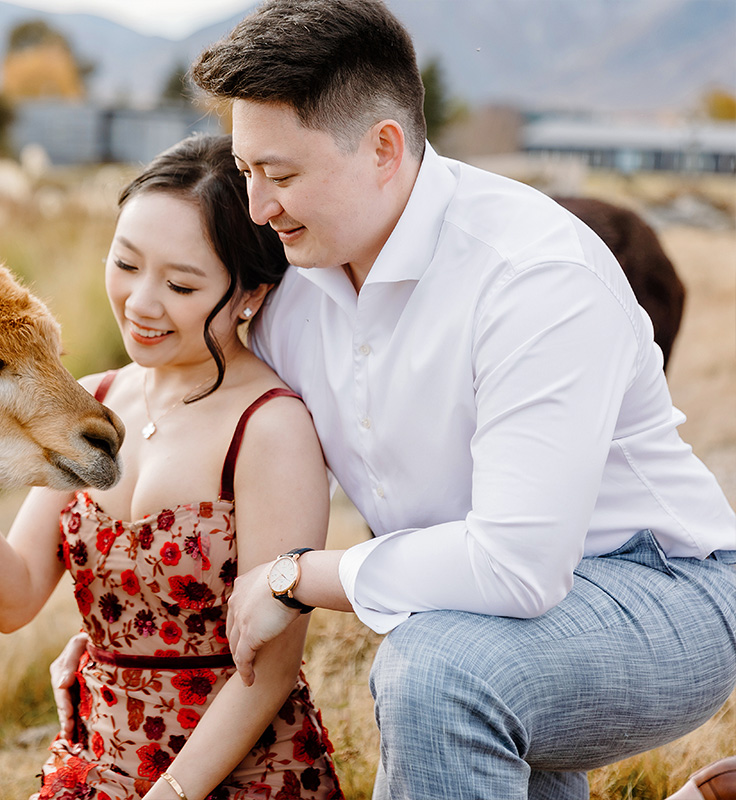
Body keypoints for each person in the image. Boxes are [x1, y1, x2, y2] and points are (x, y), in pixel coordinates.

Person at [171, 1, 736, 797]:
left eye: (284, 175)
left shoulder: (533, 276)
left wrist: (292, 576)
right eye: (248, 172)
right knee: (453, 657)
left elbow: (515, 568)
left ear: (384, 149)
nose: (260, 207)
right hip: (477, 609)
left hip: (662, 590)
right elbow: (209, 427)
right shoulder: (291, 286)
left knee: (440, 673)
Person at [0, 133, 344, 800]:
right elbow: (12, 598)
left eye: (181, 283)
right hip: (98, 765)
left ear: (250, 294)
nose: (141, 302)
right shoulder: (91, 401)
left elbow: (272, 672)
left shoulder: (270, 425)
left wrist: (171, 794)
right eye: (126, 264)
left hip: (238, 775)